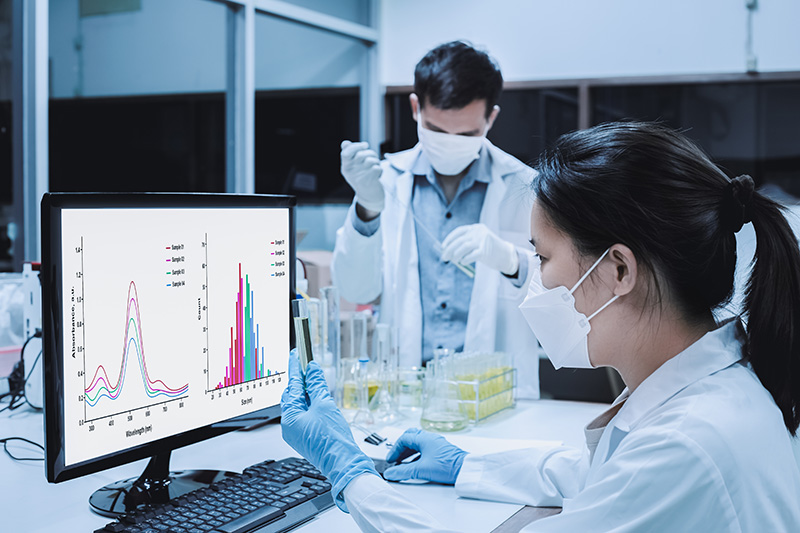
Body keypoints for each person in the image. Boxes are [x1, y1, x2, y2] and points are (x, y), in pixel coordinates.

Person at [282, 121, 800, 531]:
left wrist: (351, 476)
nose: (536, 278)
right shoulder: (707, 389)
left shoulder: (687, 445)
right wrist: (464, 465)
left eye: (542, 255)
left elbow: (635, 476)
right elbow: (597, 475)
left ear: (619, 270)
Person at [331, 41, 539, 398]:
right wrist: (367, 207)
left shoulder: (525, 188)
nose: (450, 143)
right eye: (437, 131)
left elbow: (566, 297)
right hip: (405, 392)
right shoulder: (385, 182)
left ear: (490, 118)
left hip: (495, 395)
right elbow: (356, 290)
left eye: (468, 134)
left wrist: (512, 261)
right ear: (416, 108)